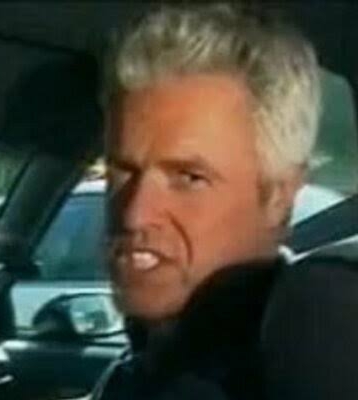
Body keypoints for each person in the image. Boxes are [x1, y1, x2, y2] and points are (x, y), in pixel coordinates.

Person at [94, 3, 321, 399]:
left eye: (189, 178)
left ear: (278, 196)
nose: (134, 214)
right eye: (122, 172)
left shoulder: (290, 378)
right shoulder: (145, 368)